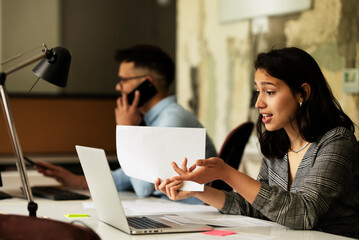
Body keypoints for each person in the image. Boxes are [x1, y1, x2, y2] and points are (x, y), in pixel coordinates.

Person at [155, 47, 359, 238]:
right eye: (258, 92)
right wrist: (196, 190)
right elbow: (258, 205)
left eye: (269, 92)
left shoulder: (337, 141)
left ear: (302, 93)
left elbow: (303, 213)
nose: (258, 103)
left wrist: (227, 173)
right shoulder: (278, 143)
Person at [36, 45, 217, 204]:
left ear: (147, 83)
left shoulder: (172, 122)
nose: (118, 87)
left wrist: (128, 130)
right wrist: (76, 180)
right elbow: (126, 176)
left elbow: (142, 187)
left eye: (124, 80)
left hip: (190, 215)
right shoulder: (155, 121)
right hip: (170, 209)